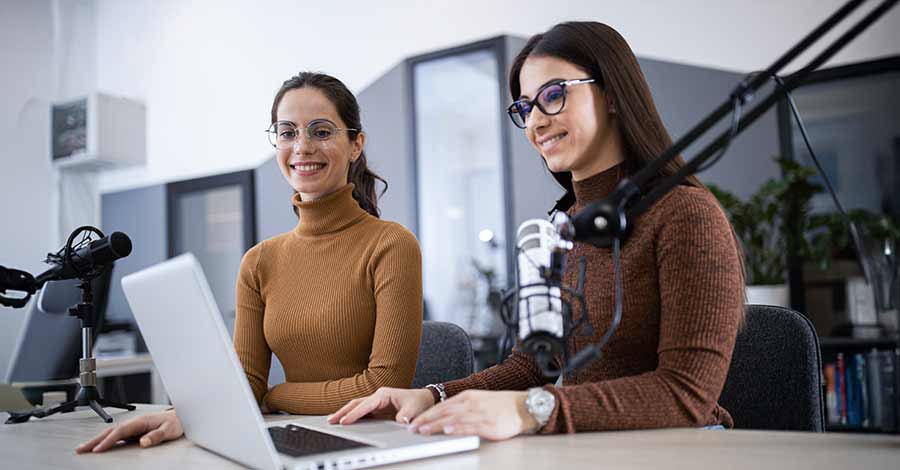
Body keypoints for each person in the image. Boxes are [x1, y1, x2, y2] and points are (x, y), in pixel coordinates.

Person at [330, 21, 744, 440]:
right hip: (594, 449)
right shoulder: (564, 227)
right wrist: (433, 396)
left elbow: (687, 394)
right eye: (526, 108)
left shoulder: (685, 215)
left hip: (683, 450)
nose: (535, 123)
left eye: (553, 95)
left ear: (614, 93)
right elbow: (530, 367)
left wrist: (532, 410)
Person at [77, 72, 423, 453]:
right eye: (287, 132)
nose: (302, 147)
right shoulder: (260, 261)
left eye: (321, 132)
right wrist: (186, 415)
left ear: (356, 144)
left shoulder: (391, 244)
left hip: (371, 444)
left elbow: (382, 387)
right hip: (291, 441)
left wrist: (276, 397)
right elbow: (246, 380)